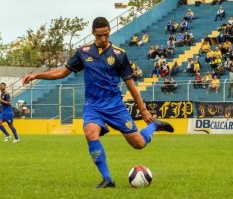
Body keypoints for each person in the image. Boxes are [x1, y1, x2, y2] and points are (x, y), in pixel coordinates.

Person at [22, 17, 174, 188]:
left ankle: (154, 126)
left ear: (109, 32)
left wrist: (144, 111)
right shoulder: (83, 52)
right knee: (90, 133)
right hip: (93, 105)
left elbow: (131, 86)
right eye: (99, 35)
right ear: (93, 33)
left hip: (115, 106)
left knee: (138, 144)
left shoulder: (119, 55)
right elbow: (63, 72)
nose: (103, 39)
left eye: (106, 35)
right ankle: (108, 179)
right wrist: (37, 75)